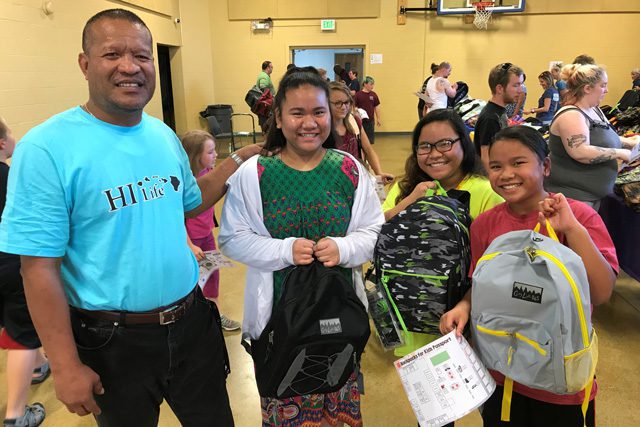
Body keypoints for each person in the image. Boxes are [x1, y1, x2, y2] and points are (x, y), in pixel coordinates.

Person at [0, 9, 262, 426]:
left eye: (142, 56)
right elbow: (38, 268)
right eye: (112, 54)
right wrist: (66, 366)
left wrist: (238, 158)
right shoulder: (46, 149)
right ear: (85, 64)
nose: (130, 66)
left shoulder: (161, 135)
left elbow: (191, 203)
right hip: (111, 342)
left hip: (191, 323)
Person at [219, 67, 384, 427]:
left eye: (318, 112)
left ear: (332, 114)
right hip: (280, 323)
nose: (309, 123)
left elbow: (374, 231)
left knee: (337, 407)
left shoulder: (349, 169)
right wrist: (284, 251)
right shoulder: (255, 173)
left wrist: (344, 247)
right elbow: (232, 237)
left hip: (339, 319)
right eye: (297, 113)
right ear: (278, 117)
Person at [440, 125, 618, 427]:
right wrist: (464, 306)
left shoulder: (580, 217)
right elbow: (481, 285)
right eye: (496, 166)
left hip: (561, 381)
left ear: (545, 165)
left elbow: (600, 293)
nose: (506, 174)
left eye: (518, 163)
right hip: (500, 374)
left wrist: (572, 230)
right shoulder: (484, 225)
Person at [382, 109, 503, 360]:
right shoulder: (407, 188)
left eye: (445, 144)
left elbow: (496, 265)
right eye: (424, 146)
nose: (435, 154)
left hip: (462, 317)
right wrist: (412, 200)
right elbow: (377, 227)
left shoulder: (485, 192)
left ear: (464, 143)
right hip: (412, 314)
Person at [0, 117, 48, 427]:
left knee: (10, 322)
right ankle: (16, 415)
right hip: (9, 266)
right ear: (2, 143)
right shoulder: (7, 175)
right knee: (24, 335)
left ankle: (40, 364)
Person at [545, 64, 638, 209]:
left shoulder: (594, 109)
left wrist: (631, 143)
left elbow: (604, 137)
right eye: (603, 85)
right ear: (587, 88)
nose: (606, 90)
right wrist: (619, 153)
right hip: (574, 199)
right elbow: (580, 152)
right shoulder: (572, 115)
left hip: (592, 196)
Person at [181, 130, 240, 331]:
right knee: (195, 283)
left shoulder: (210, 175)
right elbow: (177, 219)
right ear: (196, 156)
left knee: (212, 276)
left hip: (206, 237)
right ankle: (194, 322)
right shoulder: (185, 183)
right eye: (210, 152)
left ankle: (215, 315)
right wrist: (189, 245)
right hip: (191, 243)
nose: (216, 155)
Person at [329, 82, 393, 183]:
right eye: (338, 103)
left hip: (357, 180)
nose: (343, 107)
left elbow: (369, 150)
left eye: (347, 102)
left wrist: (378, 173)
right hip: (334, 183)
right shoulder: (322, 130)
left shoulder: (354, 122)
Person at [474, 63, 524, 171]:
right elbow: (485, 156)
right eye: (516, 85)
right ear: (500, 89)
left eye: (521, 85)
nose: (520, 91)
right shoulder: (490, 118)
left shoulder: (499, 110)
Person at [354, 76, 382, 144]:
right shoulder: (358, 95)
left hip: (370, 122)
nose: (372, 86)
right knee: (361, 141)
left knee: (369, 141)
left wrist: (378, 118)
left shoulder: (374, 95)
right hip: (360, 122)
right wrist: (357, 111)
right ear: (365, 84)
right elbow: (354, 107)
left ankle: (368, 153)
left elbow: (377, 107)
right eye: (371, 84)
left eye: (373, 84)